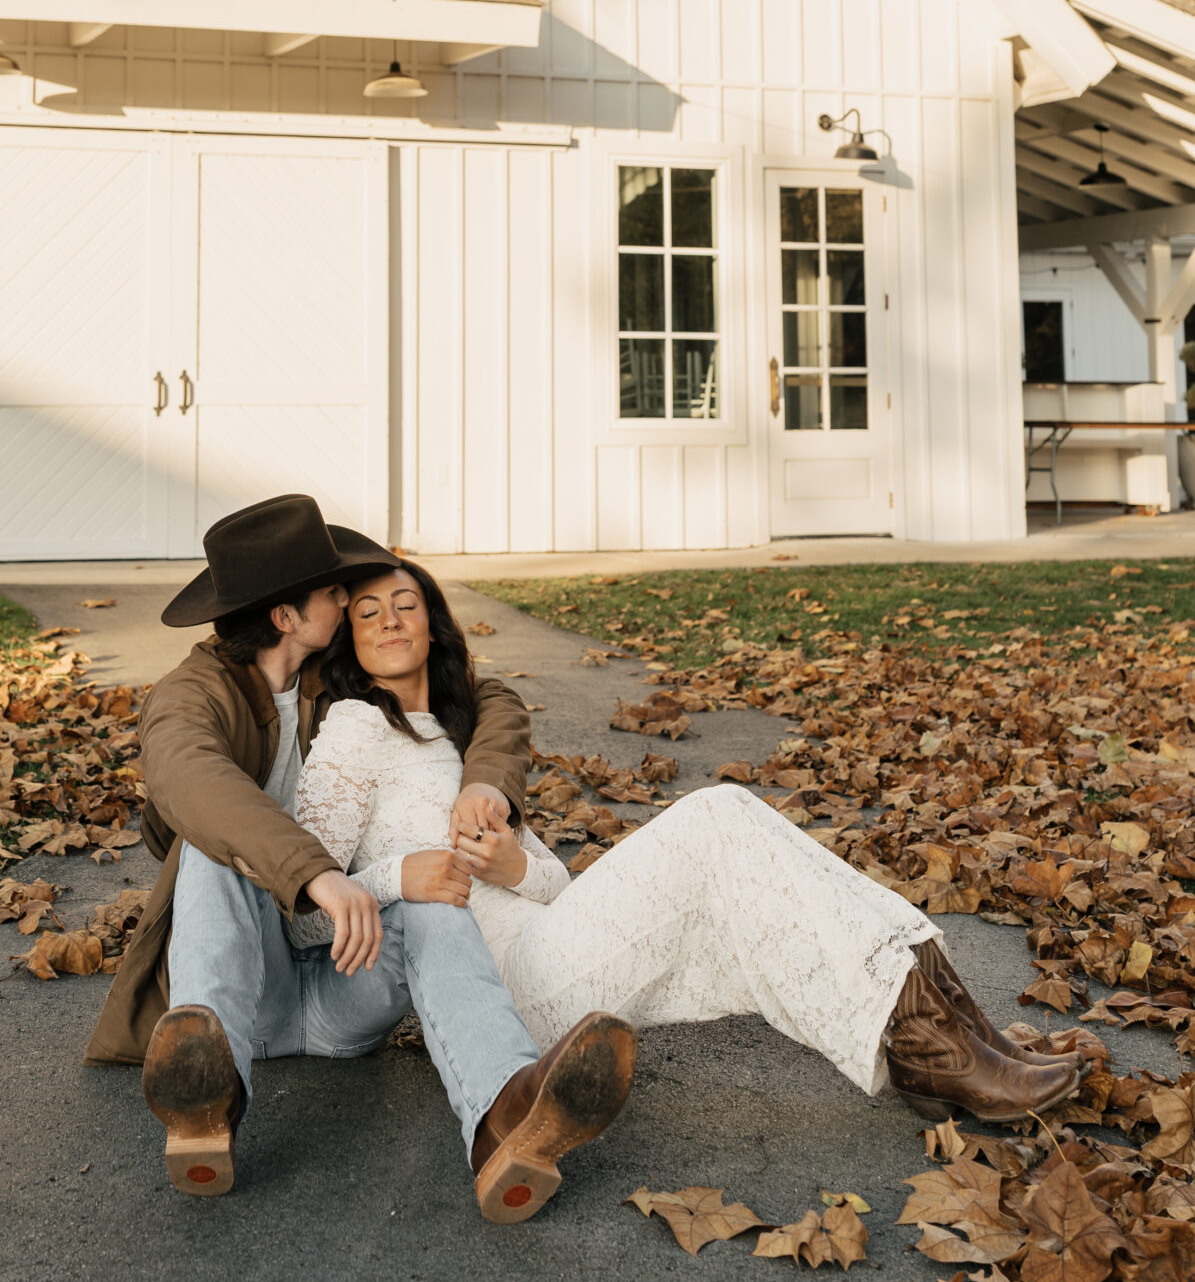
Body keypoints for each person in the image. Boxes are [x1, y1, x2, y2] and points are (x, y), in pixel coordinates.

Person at [294, 559, 1087, 1131]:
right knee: (718, 818)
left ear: (433, 624)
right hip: (499, 1004)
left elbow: (554, 889)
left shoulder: (464, 740)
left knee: (748, 882)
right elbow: (300, 906)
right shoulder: (351, 732)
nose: (391, 620)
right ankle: (936, 1046)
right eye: (368, 613)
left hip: (554, 947)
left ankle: (949, 1034)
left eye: (405, 604)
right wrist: (401, 875)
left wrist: (514, 866)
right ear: (350, 645)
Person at [84, 494, 636, 1220]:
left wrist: (482, 779)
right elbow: (192, 780)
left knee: (434, 902)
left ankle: (505, 1119)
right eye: (331, 589)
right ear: (285, 615)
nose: (347, 597)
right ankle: (205, 1099)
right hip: (253, 988)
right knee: (211, 847)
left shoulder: (328, 679)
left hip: (349, 982)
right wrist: (317, 876)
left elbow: (485, 694)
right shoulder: (194, 692)